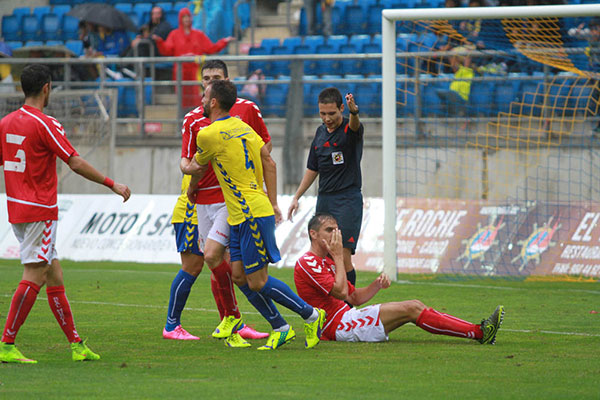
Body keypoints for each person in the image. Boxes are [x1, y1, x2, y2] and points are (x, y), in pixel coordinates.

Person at [0, 64, 131, 364]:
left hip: (17, 208)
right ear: (47, 88)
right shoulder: (46, 123)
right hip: (41, 209)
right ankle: (7, 342)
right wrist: (112, 184)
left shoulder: (6, 122)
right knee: (34, 273)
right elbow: (74, 161)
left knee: (53, 273)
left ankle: (76, 344)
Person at [183, 79, 326, 350]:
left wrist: (184, 167)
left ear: (214, 102)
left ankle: (310, 314)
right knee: (238, 275)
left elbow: (195, 167)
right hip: (242, 214)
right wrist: (272, 202)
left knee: (257, 281)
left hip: (250, 214)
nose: (201, 100)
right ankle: (281, 327)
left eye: (205, 96)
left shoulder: (208, 135)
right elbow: (269, 161)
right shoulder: (244, 127)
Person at [165, 59, 271, 343]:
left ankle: (234, 321)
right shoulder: (193, 119)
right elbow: (186, 161)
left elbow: (264, 146)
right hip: (196, 201)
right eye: (206, 78)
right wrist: (190, 172)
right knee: (201, 263)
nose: (210, 82)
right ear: (201, 83)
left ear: (226, 81)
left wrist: (252, 180)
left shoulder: (247, 110)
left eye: (216, 77)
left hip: (232, 201)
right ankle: (176, 323)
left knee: (225, 262)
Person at [294, 213, 505, 344]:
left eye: (336, 229)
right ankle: (479, 332)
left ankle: (479, 331)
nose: (335, 234)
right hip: (336, 327)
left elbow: (354, 297)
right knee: (412, 308)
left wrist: (377, 285)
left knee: (413, 306)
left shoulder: (329, 262)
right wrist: (339, 256)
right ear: (313, 234)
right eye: (329, 230)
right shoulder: (308, 262)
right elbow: (340, 292)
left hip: (347, 318)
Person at [288, 88, 362, 288]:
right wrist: (297, 196)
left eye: (332, 113)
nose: (327, 118)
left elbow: (355, 127)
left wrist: (354, 112)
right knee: (325, 253)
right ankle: (332, 305)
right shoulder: (320, 133)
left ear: (341, 109)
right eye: (323, 114)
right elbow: (313, 168)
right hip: (325, 200)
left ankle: (348, 308)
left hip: (347, 200)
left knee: (343, 254)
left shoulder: (349, 129)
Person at [154, 7, 234, 108]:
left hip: (195, 72)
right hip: (180, 72)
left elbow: (211, 48)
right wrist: (159, 42)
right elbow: (166, 50)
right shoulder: (174, 35)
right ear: (180, 19)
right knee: (183, 99)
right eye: (184, 17)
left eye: (188, 16)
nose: (187, 19)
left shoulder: (198, 35)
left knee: (197, 99)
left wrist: (224, 41)